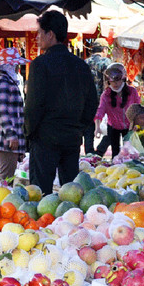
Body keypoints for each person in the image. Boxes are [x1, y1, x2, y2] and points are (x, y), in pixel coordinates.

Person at [24, 10, 98, 195]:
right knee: (70, 196)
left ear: (51, 34)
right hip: (71, 138)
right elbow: (92, 103)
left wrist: (29, 132)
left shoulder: (40, 64)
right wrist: (79, 128)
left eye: (40, 33)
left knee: (40, 197)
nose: (37, 38)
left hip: (45, 138)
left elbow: (33, 106)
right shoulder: (81, 65)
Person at [0, 48, 27, 181]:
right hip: (5, 138)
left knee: (8, 176)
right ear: (9, 65)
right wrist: (11, 135)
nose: (17, 68)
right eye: (16, 64)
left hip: (8, 138)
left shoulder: (6, 80)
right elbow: (2, 110)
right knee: (5, 178)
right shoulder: (2, 81)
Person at [94, 63, 141, 157]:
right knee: (115, 152)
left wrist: (136, 123)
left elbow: (137, 108)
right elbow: (100, 111)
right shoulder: (106, 95)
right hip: (113, 126)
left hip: (129, 126)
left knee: (129, 152)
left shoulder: (132, 92)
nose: (115, 84)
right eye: (112, 81)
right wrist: (97, 127)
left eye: (118, 80)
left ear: (123, 79)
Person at [84, 37, 112, 155]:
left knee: (88, 129)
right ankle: (100, 151)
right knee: (111, 127)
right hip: (103, 101)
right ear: (104, 49)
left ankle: (89, 154)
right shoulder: (106, 62)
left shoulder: (85, 62)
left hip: (87, 101)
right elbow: (110, 82)